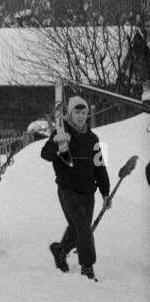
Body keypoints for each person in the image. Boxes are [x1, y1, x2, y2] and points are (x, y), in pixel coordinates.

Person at [41, 96, 111, 280]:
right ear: (69, 113)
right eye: (77, 112)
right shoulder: (62, 132)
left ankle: (60, 250)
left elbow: (100, 166)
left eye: (84, 112)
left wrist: (105, 192)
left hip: (88, 191)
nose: (81, 116)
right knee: (83, 228)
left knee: (77, 228)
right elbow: (46, 155)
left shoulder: (92, 138)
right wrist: (56, 141)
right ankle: (87, 267)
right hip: (67, 189)